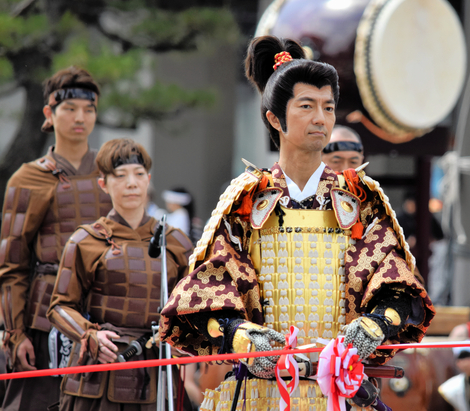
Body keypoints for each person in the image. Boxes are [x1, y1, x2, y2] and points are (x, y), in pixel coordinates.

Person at [160, 35, 434, 409]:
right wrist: (245, 339)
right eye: (306, 106)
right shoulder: (247, 200)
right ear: (275, 117)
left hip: (340, 391)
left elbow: (399, 290)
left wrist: (370, 328)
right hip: (261, 394)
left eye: (328, 107)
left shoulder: (360, 199)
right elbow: (206, 299)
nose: (321, 118)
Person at [46, 138, 193, 411]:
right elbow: (59, 307)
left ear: (148, 180)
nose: (131, 183)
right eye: (121, 176)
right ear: (103, 184)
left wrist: (184, 338)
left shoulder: (176, 243)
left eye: (139, 175)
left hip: (157, 371)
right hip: (99, 370)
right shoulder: (85, 240)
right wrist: (89, 335)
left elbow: (192, 306)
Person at [0, 66, 111, 411]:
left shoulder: (112, 173)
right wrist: (14, 333)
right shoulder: (28, 178)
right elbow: (11, 265)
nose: (81, 117)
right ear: (49, 113)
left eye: (89, 109)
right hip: (43, 316)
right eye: (70, 109)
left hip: (104, 314)